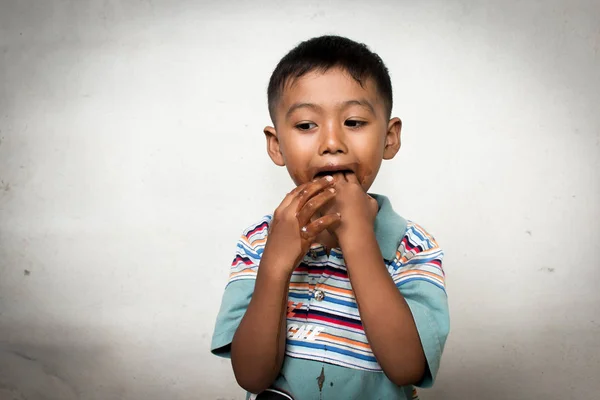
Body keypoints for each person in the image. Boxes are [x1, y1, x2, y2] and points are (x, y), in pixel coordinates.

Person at [211, 35, 449, 400]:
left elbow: (407, 367)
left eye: (353, 122)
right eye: (306, 125)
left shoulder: (411, 247)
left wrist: (357, 239)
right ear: (276, 145)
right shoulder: (259, 240)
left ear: (389, 137)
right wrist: (275, 265)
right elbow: (251, 376)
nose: (332, 142)